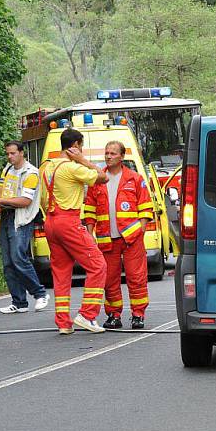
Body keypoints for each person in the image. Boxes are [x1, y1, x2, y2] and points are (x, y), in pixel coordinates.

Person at [39, 128, 109, 334]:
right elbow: (102, 177)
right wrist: (84, 160)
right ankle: (87, 315)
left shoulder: (47, 167)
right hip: (68, 221)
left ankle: (63, 323)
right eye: (81, 146)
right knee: (97, 265)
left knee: (61, 272)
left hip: (50, 222)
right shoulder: (71, 168)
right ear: (76, 146)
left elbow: (42, 198)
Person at [84, 141, 154, 330]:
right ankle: (114, 315)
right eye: (106, 153)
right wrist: (90, 233)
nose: (108, 156)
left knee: (136, 277)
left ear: (122, 157)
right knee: (109, 280)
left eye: (113, 153)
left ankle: (138, 314)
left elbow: (146, 207)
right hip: (107, 238)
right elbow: (89, 209)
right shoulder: (97, 179)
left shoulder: (134, 178)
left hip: (131, 238)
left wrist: (141, 229)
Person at [0, 141, 48, 314]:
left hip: (21, 219)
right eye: (8, 154)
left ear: (22, 153)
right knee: (8, 262)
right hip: (6, 216)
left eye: (12, 153)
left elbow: (25, 201)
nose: (9, 157)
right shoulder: (7, 169)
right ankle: (19, 302)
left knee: (18, 257)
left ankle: (40, 293)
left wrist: (2, 201)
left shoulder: (31, 173)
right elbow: (0, 190)